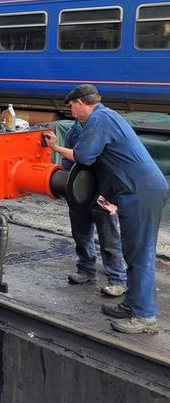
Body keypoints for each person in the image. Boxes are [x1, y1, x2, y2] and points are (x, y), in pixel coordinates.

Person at [43, 84, 169, 334]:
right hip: (135, 190)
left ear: (80, 103)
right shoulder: (108, 115)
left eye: (72, 106)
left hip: (140, 192)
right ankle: (132, 304)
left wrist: (55, 148)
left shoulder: (98, 119)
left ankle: (145, 317)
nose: (72, 112)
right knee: (134, 250)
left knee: (140, 253)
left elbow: (84, 156)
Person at [59, 120, 127, 297]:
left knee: (109, 238)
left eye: (75, 106)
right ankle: (86, 269)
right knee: (80, 233)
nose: (74, 113)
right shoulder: (73, 132)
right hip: (79, 190)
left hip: (102, 191)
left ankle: (118, 279)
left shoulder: (103, 128)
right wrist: (66, 185)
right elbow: (68, 162)